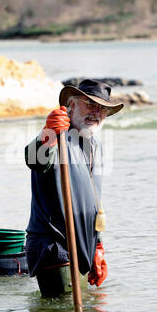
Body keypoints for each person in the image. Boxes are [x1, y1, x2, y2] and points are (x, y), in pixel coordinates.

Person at [24, 79, 124, 297]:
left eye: (102, 108)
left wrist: (97, 246)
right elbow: (34, 159)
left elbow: (92, 201)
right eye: (89, 104)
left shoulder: (94, 145)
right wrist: (47, 133)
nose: (96, 112)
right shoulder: (57, 136)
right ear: (70, 105)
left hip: (83, 246)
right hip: (54, 247)